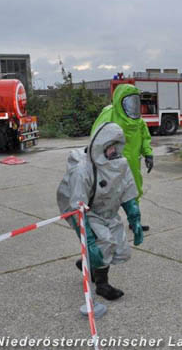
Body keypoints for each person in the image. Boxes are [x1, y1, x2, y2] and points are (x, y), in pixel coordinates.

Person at [57, 122, 144, 300]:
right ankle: (102, 285)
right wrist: (88, 240)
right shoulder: (82, 170)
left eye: (116, 147)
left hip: (107, 210)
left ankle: (87, 263)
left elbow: (128, 191)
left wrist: (134, 219)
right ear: (100, 146)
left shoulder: (120, 165)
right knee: (103, 242)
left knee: (121, 250)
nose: (114, 151)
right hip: (84, 210)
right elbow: (77, 206)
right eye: (110, 147)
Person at [90, 84, 153, 231]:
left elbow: (145, 138)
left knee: (134, 191)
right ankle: (104, 225)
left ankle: (134, 222)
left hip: (132, 163)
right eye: (129, 102)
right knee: (109, 195)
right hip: (111, 165)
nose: (133, 106)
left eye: (135, 101)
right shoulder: (109, 114)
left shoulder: (138, 122)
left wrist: (148, 153)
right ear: (120, 101)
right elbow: (97, 136)